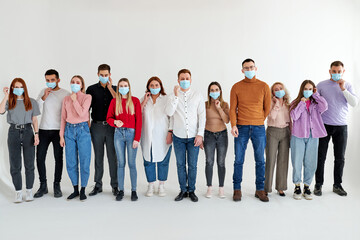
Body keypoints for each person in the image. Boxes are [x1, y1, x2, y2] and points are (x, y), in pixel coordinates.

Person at [230, 58, 271, 202]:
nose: (249, 70)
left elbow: (267, 108)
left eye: (251, 67)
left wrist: (259, 119)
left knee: (260, 160)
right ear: (242, 70)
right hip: (241, 127)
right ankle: (237, 189)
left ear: (256, 68)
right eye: (246, 68)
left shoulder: (264, 86)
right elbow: (232, 109)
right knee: (238, 160)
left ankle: (260, 189)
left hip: (259, 127)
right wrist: (234, 125)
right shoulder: (236, 87)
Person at [314, 61, 358, 196]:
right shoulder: (321, 85)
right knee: (320, 156)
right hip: (324, 125)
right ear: (330, 71)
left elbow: (354, 103)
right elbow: (315, 103)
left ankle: (337, 185)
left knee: (340, 157)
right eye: (334, 71)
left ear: (343, 71)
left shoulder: (348, 85)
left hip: (341, 126)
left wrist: (343, 88)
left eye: (339, 71)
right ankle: (318, 185)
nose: (337, 74)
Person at [165, 69, 206, 202]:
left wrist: (200, 135)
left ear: (191, 79)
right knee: (180, 164)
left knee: (193, 165)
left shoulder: (197, 95)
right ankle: (183, 190)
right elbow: (169, 113)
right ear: (178, 80)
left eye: (187, 78)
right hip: (178, 137)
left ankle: (191, 190)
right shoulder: (172, 96)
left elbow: (202, 116)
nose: (184, 80)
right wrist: (176, 96)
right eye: (182, 78)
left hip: (194, 136)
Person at [0, 78, 40, 203]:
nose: (18, 89)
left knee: (29, 164)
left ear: (24, 88)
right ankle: (18, 192)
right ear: (12, 88)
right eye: (16, 86)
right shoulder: (10, 101)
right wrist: (6, 96)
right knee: (15, 164)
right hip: (13, 132)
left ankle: (29, 191)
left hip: (28, 131)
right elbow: (1, 111)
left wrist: (37, 134)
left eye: (21, 86)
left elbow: (34, 120)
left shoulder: (31, 101)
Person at [34, 69, 70, 198]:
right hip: (43, 129)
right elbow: (36, 109)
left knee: (58, 158)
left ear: (58, 80)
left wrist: (64, 133)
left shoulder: (66, 94)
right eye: (47, 80)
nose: (50, 82)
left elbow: (69, 113)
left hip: (58, 131)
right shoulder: (43, 92)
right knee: (39, 158)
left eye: (52, 80)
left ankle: (57, 185)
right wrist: (44, 97)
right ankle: (43, 186)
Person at [290, 80, 328, 200]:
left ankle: (307, 186)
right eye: (306, 89)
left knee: (311, 162)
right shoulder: (295, 103)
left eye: (310, 89)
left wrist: (316, 95)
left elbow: (325, 107)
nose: (308, 91)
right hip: (298, 136)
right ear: (302, 89)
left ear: (313, 90)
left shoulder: (316, 103)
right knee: (297, 161)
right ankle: (297, 186)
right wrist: (301, 103)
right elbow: (294, 116)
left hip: (313, 136)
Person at [107, 78, 142, 201]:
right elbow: (109, 118)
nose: (123, 88)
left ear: (129, 87)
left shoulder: (135, 101)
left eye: (125, 85)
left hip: (131, 134)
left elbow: (139, 121)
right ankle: (121, 190)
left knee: (132, 164)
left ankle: (133, 190)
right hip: (118, 134)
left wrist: (137, 138)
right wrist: (115, 121)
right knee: (121, 164)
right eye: (121, 86)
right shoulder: (114, 102)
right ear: (118, 88)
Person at [86, 64, 118, 197]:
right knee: (98, 157)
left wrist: (110, 88)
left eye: (106, 75)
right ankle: (98, 185)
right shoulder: (91, 89)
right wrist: (88, 126)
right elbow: (86, 109)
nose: (104, 77)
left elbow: (120, 103)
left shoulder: (116, 89)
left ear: (110, 75)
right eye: (101, 75)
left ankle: (115, 186)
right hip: (96, 126)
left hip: (111, 127)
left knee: (112, 157)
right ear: (98, 74)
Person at [60, 75, 92, 201]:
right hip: (69, 130)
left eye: (77, 82)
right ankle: (75, 189)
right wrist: (61, 135)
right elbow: (63, 118)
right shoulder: (66, 99)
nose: (74, 84)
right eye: (72, 82)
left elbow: (82, 113)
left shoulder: (87, 97)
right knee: (71, 161)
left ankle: (83, 189)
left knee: (85, 160)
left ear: (82, 85)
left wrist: (75, 100)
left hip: (83, 130)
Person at [140, 76, 173, 197]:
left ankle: (161, 185)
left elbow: (171, 116)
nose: (154, 88)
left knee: (163, 160)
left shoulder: (166, 99)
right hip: (147, 135)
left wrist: (170, 132)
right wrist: (144, 101)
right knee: (148, 160)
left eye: (156, 85)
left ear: (161, 86)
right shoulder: (143, 99)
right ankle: (150, 185)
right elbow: (137, 115)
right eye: (152, 85)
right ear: (148, 87)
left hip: (163, 135)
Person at [264, 82, 291, 197]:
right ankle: (266, 188)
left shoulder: (288, 104)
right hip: (272, 132)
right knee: (270, 159)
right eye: (276, 89)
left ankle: (281, 187)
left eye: (281, 88)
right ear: (273, 92)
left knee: (283, 160)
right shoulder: (270, 102)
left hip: (285, 132)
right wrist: (276, 104)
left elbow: (291, 120)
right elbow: (271, 117)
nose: (279, 90)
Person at [203, 82, 229, 199]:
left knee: (221, 162)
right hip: (208, 135)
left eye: (216, 89)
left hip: (222, 135)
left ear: (220, 91)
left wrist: (219, 108)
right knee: (209, 161)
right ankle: (209, 187)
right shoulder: (204, 105)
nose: (214, 92)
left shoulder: (224, 104)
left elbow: (227, 120)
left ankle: (221, 188)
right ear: (209, 92)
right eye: (212, 90)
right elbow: (200, 121)